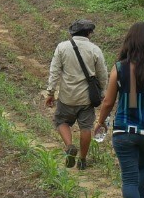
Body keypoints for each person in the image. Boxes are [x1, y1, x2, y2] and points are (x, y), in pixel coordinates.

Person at [93, 22, 144, 198]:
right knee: (143, 172)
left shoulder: (121, 68)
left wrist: (100, 122)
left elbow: (109, 101)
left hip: (124, 130)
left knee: (129, 177)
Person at [43, 19, 106, 170]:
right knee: (86, 127)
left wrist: (50, 92)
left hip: (66, 97)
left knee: (61, 122)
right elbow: (102, 74)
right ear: (89, 33)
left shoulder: (62, 47)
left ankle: (70, 146)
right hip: (86, 99)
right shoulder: (95, 50)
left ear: (72, 32)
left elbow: (54, 71)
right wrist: (102, 92)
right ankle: (82, 160)